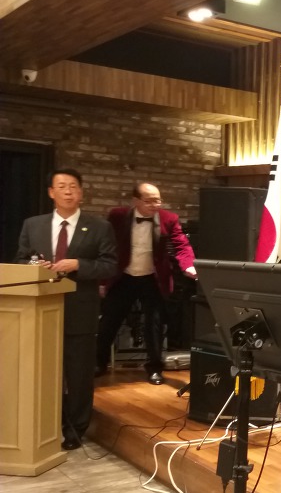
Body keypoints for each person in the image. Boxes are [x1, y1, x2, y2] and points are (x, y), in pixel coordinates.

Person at [15, 168, 118, 450]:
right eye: (62, 186)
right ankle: (45, 424)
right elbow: (21, 260)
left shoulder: (99, 227)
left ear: (81, 192)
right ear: (51, 192)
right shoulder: (33, 225)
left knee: (79, 374)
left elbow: (110, 266)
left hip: (80, 310)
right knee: (43, 371)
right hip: (40, 310)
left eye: (73, 186)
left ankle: (75, 428)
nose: (68, 191)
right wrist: (34, 267)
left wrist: (79, 265)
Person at [96, 182, 197, 386]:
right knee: (109, 321)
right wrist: (102, 281)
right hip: (124, 276)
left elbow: (181, 245)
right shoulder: (117, 216)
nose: (154, 205)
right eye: (149, 201)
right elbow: (106, 246)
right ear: (135, 201)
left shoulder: (169, 218)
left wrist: (188, 265)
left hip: (153, 277)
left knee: (155, 324)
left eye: (157, 200)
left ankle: (155, 368)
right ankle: (98, 363)